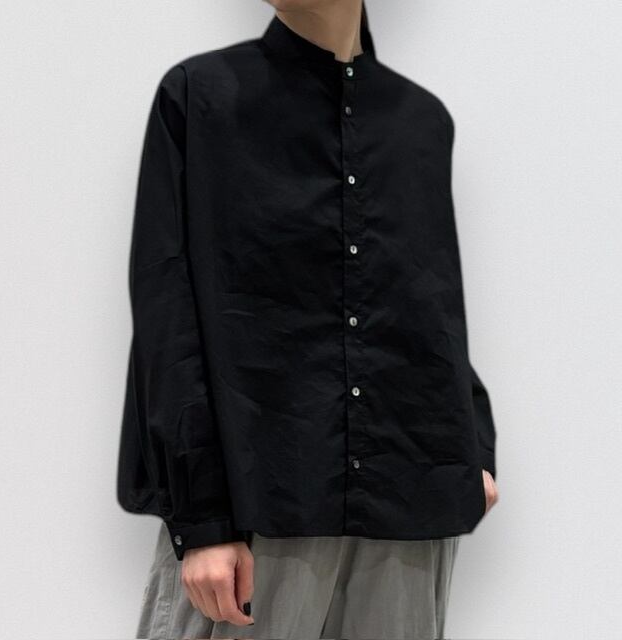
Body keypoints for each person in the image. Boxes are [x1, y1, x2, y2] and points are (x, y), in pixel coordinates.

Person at [116, 1, 499, 638]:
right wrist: (203, 519)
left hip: (410, 506)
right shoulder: (201, 98)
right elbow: (169, 316)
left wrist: (473, 448)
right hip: (261, 512)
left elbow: (432, 308)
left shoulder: (421, 122)